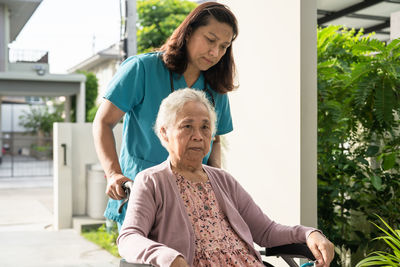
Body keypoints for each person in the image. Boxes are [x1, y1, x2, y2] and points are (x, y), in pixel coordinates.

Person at [117, 88, 335, 267]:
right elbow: (129, 238)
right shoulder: (152, 180)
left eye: (205, 127)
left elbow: (267, 231)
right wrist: (169, 257)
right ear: (164, 133)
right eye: (187, 126)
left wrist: (309, 234)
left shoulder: (223, 180)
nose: (198, 136)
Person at [92, 2, 238, 228]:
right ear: (188, 32)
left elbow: (214, 140)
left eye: (224, 46)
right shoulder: (142, 69)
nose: (215, 52)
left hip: (194, 197)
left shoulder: (215, 87)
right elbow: (103, 122)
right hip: (141, 191)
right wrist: (113, 174)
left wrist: (215, 181)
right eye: (210, 40)